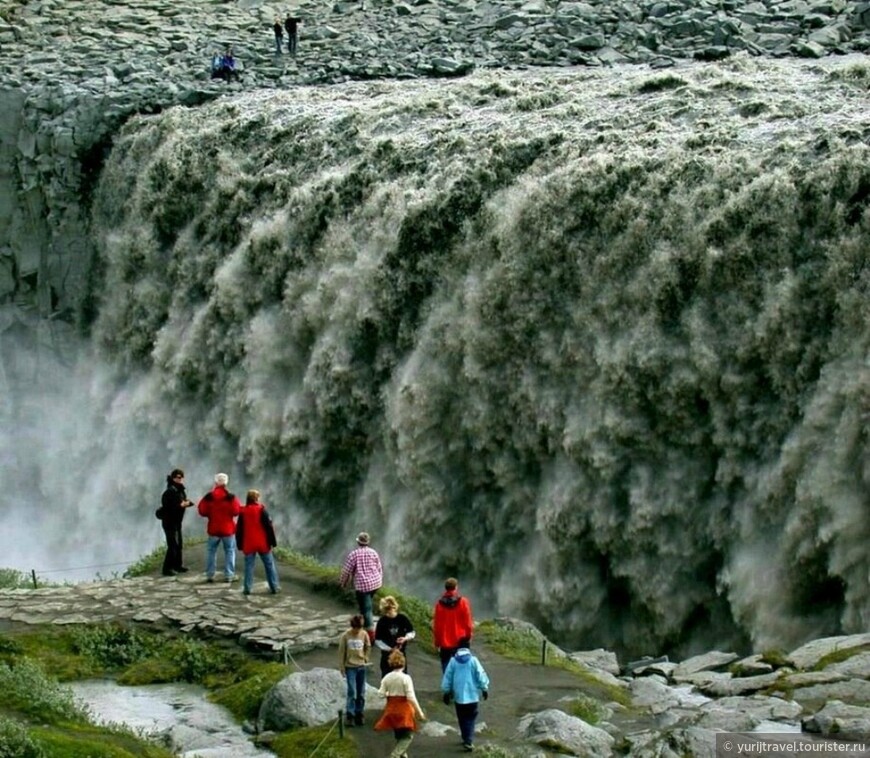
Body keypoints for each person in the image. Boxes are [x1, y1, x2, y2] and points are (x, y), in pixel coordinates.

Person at [441, 638, 490, 752]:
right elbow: (481, 674)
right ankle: (468, 740)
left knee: (462, 718)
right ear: (468, 648)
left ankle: (465, 737)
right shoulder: (473, 660)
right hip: (472, 696)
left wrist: (446, 692)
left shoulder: (453, 661)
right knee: (471, 718)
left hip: (459, 697)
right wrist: (484, 688)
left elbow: (447, 677)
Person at [375, 650, 425, 758]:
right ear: (404, 663)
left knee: (399, 734)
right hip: (404, 709)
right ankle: (395, 755)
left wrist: (389, 693)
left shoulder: (387, 678)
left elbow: (380, 694)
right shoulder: (406, 678)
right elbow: (411, 697)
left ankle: (403, 755)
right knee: (408, 735)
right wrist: (419, 712)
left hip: (391, 709)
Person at [197, 473, 241, 583]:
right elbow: (236, 512)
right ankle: (229, 575)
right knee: (230, 551)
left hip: (213, 529)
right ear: (226, 483)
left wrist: (210, 514)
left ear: (215, 482)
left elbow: (202, 511)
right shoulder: (231, 497)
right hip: (228, 529)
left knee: (211, 551)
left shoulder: (209, 496)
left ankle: (210, 574)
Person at [235, 489, 279, 596]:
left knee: (249, 566)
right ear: (256, 498)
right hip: (262, 543)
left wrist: (239, 544)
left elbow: (239, 530)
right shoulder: (262, 510)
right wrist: (273, 542)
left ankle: (247, 588)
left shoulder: (243, 512)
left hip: (249, 543)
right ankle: (274, 587)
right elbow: (269, 527)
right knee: (269, 565)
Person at [339, 532, 383, 638]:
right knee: (366, 605)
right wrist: (380, 580)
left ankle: (371, 634)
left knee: (366, 609)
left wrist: (343, 583)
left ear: (358, 542)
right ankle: (364, 624)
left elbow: (346, 571)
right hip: (375, 583)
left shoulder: (354, 554)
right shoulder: (373, 552)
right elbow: (379, 567)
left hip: (363, 586)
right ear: (368, 542)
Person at [158, 468, 195, 576]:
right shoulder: (169, 491)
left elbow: (183, 500)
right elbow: (167, 507)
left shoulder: (180, 490)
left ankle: (177, 566)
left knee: (179, 545)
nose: (180, 479)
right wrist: (180, 505)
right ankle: (167, 569)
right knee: (173, 545)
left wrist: (187, 503)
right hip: (169, 522)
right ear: (173, 478)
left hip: (177, 521)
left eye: (181, 477)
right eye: (178, 477)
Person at [433, 577, 474, 672]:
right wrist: (469, 635)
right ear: (456, 587)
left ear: (446, 588)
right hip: (461, 640)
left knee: (447, 669)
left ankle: (448, 686)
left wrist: (437, 642)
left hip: (444, 641)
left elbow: (437, 625)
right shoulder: (463, 602)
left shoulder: (439, 604)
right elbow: (468, 622)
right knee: (462, 668)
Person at [338, 614, 371, 727]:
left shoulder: (364, 634)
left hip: (361, 666)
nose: (358, 631)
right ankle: (350, 714)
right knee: (352, 690)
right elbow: (342, 651)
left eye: (360, 628)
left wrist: (366, 657)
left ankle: (359, 712)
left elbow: (368, 645)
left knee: (361, 691)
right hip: (350, 666)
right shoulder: (345, 636)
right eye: (356, 628)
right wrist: (342, 666)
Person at [374, 596, 416, 678]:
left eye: (390, 611)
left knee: (402, 676)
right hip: (387, 656)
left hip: (400, 654)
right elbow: (378, 640)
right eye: (387, 611)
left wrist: (405, 638)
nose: (389, 613)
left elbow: (411, 632)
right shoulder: (382, 621)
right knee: (387, 676)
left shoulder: (402, 618)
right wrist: (389, 649)